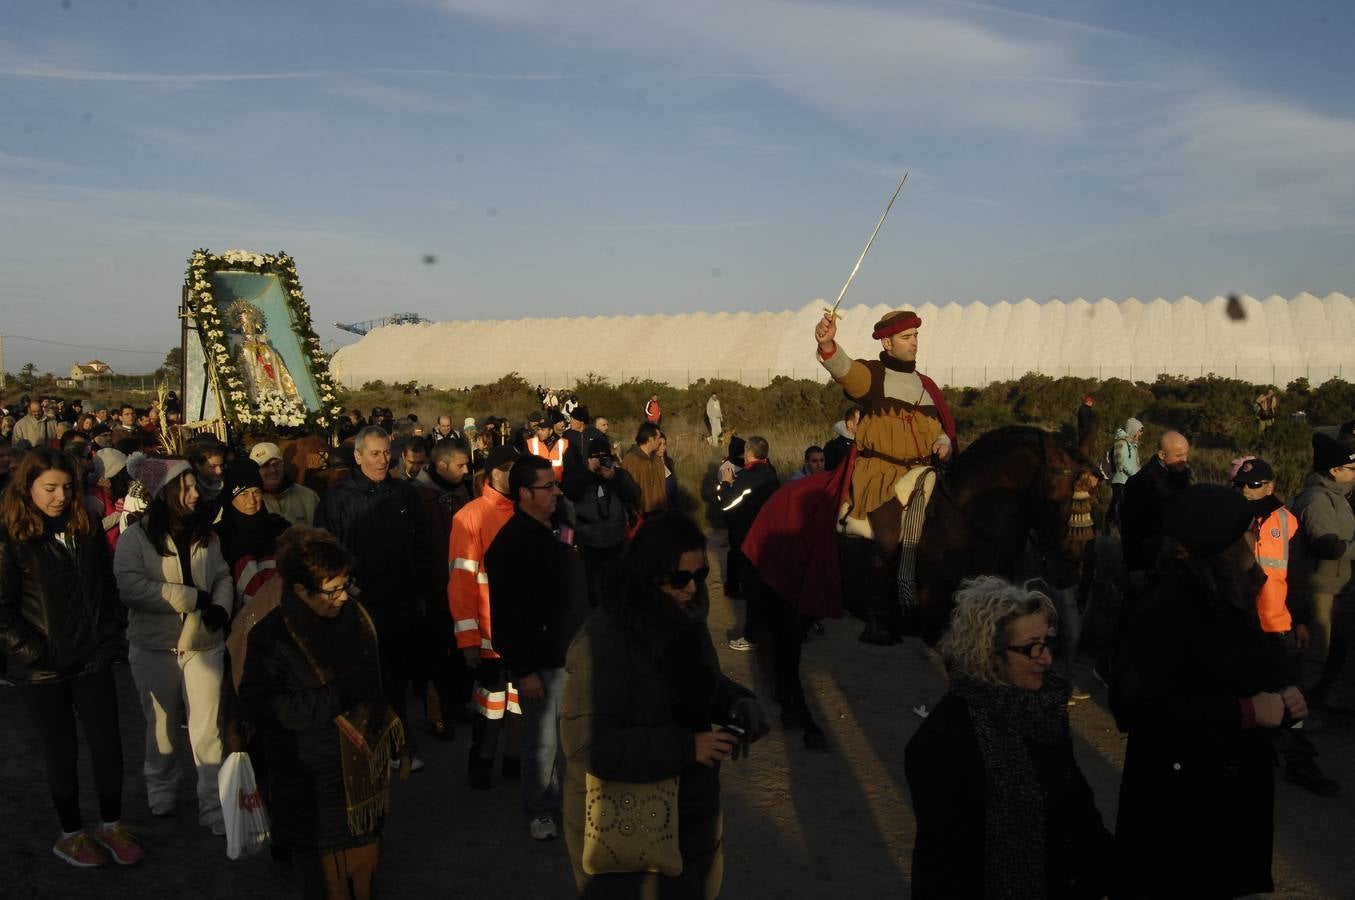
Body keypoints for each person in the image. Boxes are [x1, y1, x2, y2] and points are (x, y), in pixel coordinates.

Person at [561, 511, 769, 898]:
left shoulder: (683, 617)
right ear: (649, 574)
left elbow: (696, 680)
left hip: (690, 814)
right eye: (679, 578)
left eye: (700, 575)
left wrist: (737, 701)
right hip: (627, 832)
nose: (692, 587)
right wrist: (687, 747)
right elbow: (588, 745)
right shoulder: (602, 642)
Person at [1112, 485, 1303, 899]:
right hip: (1181, 809)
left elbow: (1244, 670)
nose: (1257, 539)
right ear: (1224, 544)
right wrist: (1247, 712)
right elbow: (1138, 707)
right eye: (1249, 531)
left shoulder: (1232, 593)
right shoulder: (1163, 608)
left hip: (1228, 797)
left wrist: (1283, 694)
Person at [905, 576, 1120, 899]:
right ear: (989, 653)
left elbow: (1079, 814)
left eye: (1046, 643)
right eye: (1032, 648)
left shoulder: (1044, 711)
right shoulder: (944, 742)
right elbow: (944, 869)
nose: (1046, 659)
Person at [240, 527, 406, 900]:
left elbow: (383, 677)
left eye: (345, 584)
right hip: (309, 784)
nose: (343, 596)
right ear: (301, 590)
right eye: (332, 589)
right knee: (326, 885)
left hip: (362, 775)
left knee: (364, 872)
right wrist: (337, 696)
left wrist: (400, 734)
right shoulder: (272, 636)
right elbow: (261, 706)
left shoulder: (357, 615)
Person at [0, 448, 144, 868]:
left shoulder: (84, 526)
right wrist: (36, 652)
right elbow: (3, 611)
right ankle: (71, 833)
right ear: (27, 487)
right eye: (49, 488)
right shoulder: (10, 534)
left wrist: (108, 634)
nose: (60, 496)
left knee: (108, 743)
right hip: (42, 666)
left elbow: (105, 581)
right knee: (61, 750)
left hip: (92, 656)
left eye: (67, 487)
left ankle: (111, 824)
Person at [814, 309, 957, 644]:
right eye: (906, 338)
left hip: (923, 474)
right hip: (881, 474)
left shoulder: (927, 386)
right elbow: (844, 370)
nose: (914, 344)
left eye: (916, 337)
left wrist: (943, 441)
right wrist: (828, 343)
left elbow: (940, 429)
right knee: (888, 533)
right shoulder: (873, 376)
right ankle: (879, 614)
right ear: (888, 342)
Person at [114, 453, 233, 833]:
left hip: (202, 643)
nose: (194, 493)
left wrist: (220, 606)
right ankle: (161, 787)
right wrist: (191, 598)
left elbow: (222, 576)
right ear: (164, 493)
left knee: (207, 729)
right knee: (161, 725)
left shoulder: (205, 534)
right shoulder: (135, 538)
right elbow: (132, 588)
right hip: (155, 647)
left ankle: (213, 805)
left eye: (193, 485)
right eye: (184, 487)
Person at [484, 456, 590, 841]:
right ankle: (542, 810)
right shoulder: (508, 547)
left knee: (578, 739)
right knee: (542, 743)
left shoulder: (561, 528)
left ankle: (577, 805)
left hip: (577, 655)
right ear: (525, 493)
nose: (557, 492)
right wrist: (523, 669)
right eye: (549, 487)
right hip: (541, 665)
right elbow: (507, 617)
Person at [315, 426, 432, 771]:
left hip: (403, 602)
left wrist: (421, 589)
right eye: (374, 454)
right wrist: (346, 589)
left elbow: (421, 544)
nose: (382, 461)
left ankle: (396, 740)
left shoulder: (404, 494)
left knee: (399, 674)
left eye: (386, 454)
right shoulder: (338, 500)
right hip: (360, 605)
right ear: (358, 456)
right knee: (371, 678)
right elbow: (326, 550)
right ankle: (390, 746)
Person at [1229, 456, 1338, 796]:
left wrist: (1302, 620)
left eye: (1255, 485)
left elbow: (1298, 576)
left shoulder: (1286, 522)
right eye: (1241, 484)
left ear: (1271, 486)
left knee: (1288, 697)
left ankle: (1299, 762)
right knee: (1237, 695)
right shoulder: (1227, 517)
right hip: (1237, 623)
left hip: (1275, 623)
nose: (1247, 490)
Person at [449, 444, 522, 789]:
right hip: (489, 636)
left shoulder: (528, 510)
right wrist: (468, 639)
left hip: (523, 635)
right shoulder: (471, 516)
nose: (514, 473)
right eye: (508, 467)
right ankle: (482, 761)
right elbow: (461, 582)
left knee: (521, 703)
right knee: (490, 707)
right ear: (493, 473)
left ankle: (514, 760)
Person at [410, 438, 475, 741]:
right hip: (432, 588)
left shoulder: (463, 491)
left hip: (461, 586)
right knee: (435, 654)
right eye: (460, 464)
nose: (466, 470)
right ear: (441, 464)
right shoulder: (416, 496)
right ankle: (437, 714)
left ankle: (459, 703)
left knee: (461, 650)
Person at [1289, 426, 1355, 719]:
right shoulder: (1318, 500)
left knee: (1336, 650)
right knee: (1317, 654)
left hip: (1337, 585)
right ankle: (1296, 717)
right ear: (1335, 470)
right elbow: (1327, 545)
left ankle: (1328, 705)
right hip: (1322, 588)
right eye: (1352, 467)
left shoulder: (1338, 496)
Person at [716, 435, 779, 648]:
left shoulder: (748, 478)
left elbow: (727, 505)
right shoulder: (771, 474)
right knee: (766, 587)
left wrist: (725, 484)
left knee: (753, 589)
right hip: (768, 538)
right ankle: (770, 627)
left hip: (749, 539)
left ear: (749, 453)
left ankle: (752, 635)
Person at [215, 458, 291, 613]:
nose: (251, 500)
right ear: (231, 498)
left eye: (256, 492)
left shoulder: (280, 529)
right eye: (243, 494)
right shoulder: (219, 536)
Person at [1118, 430, 1190, 583]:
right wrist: (1135, 567)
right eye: (1178, 456)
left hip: (1177, 558)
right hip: (1150, 560)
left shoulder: (1182, 475)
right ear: (1162, 455)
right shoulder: (1140, 483)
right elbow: (1130, 528)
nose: (1184, 460)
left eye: (1186, 454)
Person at [249, 441, 321, 526]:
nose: (273, 470)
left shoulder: (309, 497)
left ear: (283, 465)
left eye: (276, 464)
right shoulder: (250, 502)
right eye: (265, 465)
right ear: (254, 470)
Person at [87, 448, 130, 553]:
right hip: (108, 556)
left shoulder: (115, 493)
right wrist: (118, 514)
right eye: (122, 476)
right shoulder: (95, 497)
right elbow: (92, 528)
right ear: (107, 478)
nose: (127, 479)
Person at [620, 422, 667, 515]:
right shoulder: (630, 460)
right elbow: (627, 490)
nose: (659, 442)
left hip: (659, 512)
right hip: (641, 514)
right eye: (657, 439)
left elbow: (662, 487)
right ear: (650, 439)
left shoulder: (657, 460)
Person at [1105, 418, 1142, 530]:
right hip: (1120, 481)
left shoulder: (1132, 445)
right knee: (1118, 506)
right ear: (1133, 430)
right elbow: (1121, 463)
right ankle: (1109, 528)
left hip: (1129, 481)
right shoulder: (1121, 443)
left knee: (1122, 507)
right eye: (1140, 430)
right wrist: (1136, 474)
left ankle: (1111, 528)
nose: (1141, 433)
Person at [188, 440, 227, 523]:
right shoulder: (191, 494)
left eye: (221, 466)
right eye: (213, 466)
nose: (219, 471)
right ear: (198, 466)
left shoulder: (226, 485)